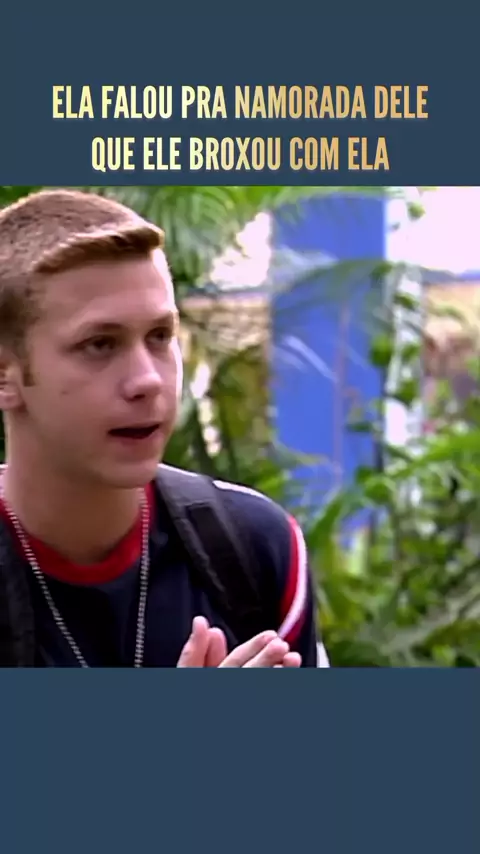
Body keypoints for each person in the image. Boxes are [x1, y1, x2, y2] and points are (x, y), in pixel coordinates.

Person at [0, 188, 328, 669]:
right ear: (5, 375)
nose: (147, 380)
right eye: (100, 344)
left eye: (159, 336)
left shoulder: (256, 545)